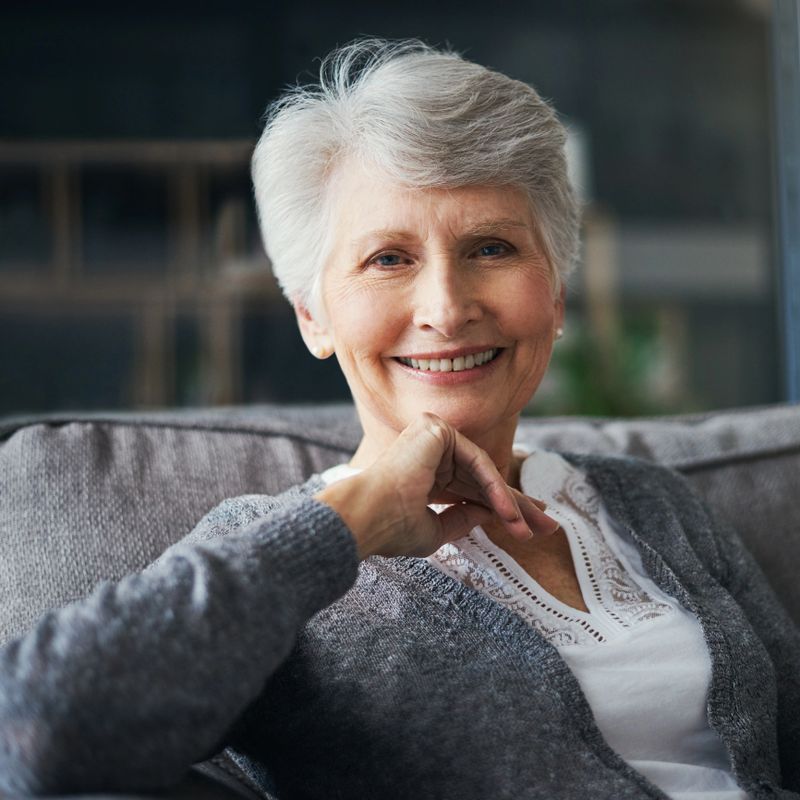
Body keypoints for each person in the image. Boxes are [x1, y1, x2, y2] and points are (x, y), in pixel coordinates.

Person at [0, 38, 798, 800]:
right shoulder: (275, 549)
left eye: (491, 248)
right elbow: (37, 732)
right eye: (389, 259)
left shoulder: (652, 505)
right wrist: (347, 527)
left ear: (554, 297)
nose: (446, 310)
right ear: (314, 316)